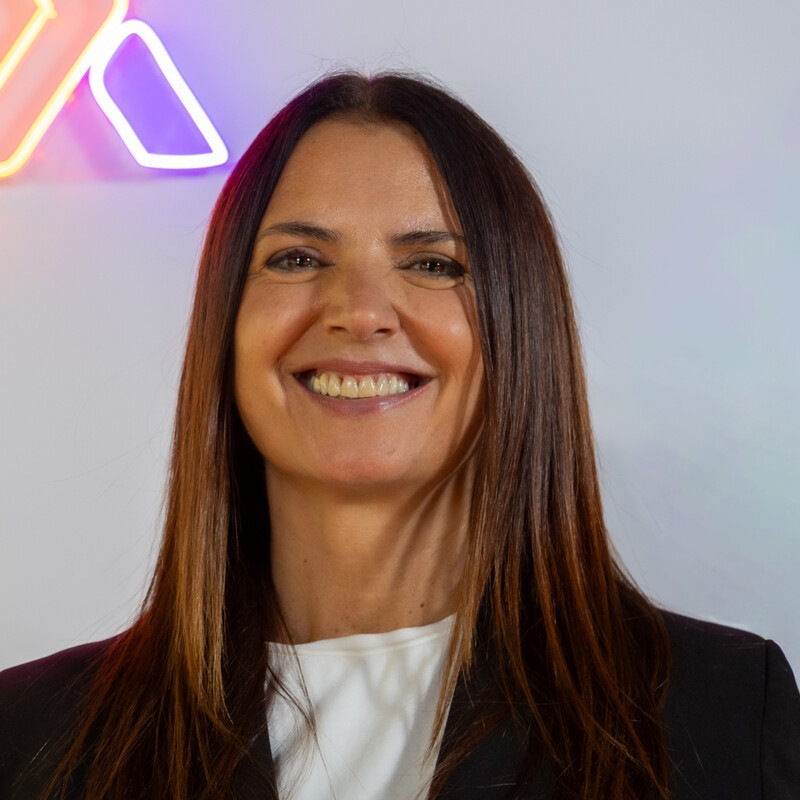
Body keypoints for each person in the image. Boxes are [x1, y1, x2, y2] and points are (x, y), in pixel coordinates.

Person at [1, 72, 798, 800]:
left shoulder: (724, 712)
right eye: (297, 258)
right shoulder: (29, 737)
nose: (359, 311)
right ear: (226, 326)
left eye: (432, 265)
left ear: (521, 329)